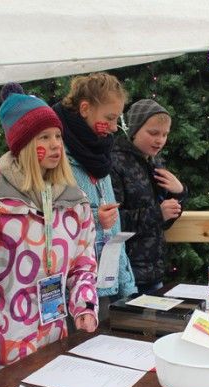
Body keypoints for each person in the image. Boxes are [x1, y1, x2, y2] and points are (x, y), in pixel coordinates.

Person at [0, 83, 98, 381]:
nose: (56, 144)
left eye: (58, 136)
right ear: (22, 144)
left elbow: (83, 264)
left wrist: (85, 306)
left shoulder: (75, 202)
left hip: (50, 346)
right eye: (44, 137)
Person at [52, 73, 136, 323]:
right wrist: (93, 219)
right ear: (85, 109)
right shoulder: (57, 157)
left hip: (106, 284)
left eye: (116, 119)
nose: (114, 127)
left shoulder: (100, 155)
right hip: (75, 292)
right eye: (109, 118)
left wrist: (126, 284)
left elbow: (113, 229)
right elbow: (49, 220)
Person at [110, 99, 187, 293]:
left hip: (154, 271)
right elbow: (113, 222)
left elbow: (166, 219)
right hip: (126, 274)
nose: (160, 140)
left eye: (165, 134)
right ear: (134, 130)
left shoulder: (155, 163)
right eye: (153, 133)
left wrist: (179, 193)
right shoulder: (115, 163)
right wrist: (157, 214)